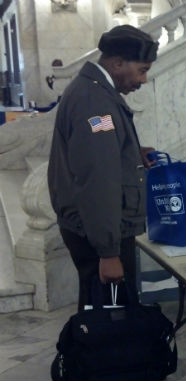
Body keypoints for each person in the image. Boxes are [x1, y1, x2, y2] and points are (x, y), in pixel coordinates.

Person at [48, 25, 159, 311]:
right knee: (110, 319)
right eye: (142, 70)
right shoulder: (94, 103)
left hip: (94, 227)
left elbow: (101, 151)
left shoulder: (95, 92)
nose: (143, 80)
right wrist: (108, 252)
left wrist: (133, 153)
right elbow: (98, 178)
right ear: (118, 63)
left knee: (102, 312)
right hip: (99, 232)